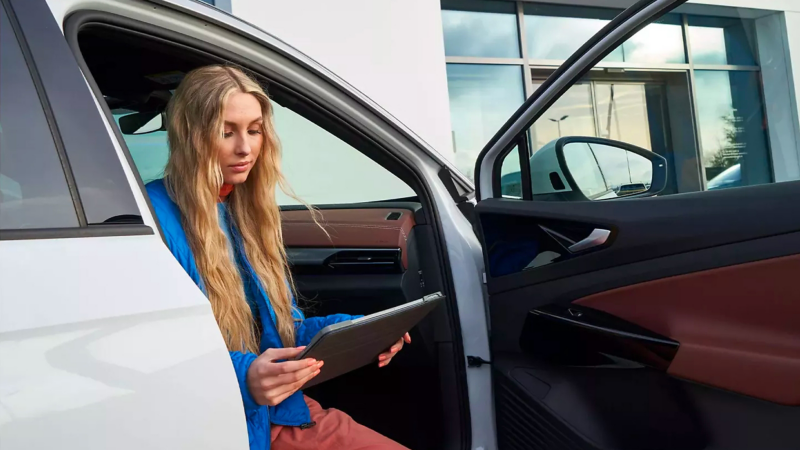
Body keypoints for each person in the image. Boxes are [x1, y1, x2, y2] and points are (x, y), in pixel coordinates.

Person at [145, 65, 411, 450]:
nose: (246, 148)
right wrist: (244, 377)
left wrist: (361, 331)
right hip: (218, 421)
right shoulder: (153, 218)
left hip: (278, 413)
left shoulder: (245, 212)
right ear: (191, 136)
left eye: (254, 130)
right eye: (226, 131)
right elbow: (152, 350)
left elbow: (282, 334)